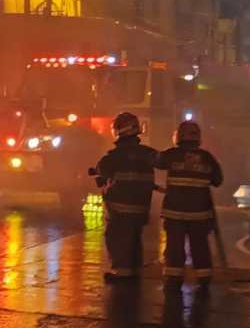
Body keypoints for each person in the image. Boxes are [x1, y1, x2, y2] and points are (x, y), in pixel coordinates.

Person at [156, 120, 223, 286]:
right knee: (200, 246)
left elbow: (156, 161)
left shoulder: (171, 154)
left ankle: (173, 278)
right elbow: (218, 180)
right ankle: (204, 277)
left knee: (174, 247)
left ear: (178, 136)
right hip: (200, 214)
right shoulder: (207, 158)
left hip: (174, 213)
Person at [92, 112, 158, 281]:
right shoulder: (147, 153)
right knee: (135, 239)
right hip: (141, 208)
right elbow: (162, 161)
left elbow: (103, 170)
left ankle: (121, 274)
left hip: (119, 209)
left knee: (117, 239)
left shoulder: (113, 156)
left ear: (118, 130)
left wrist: (98, 174)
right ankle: (134, 271)